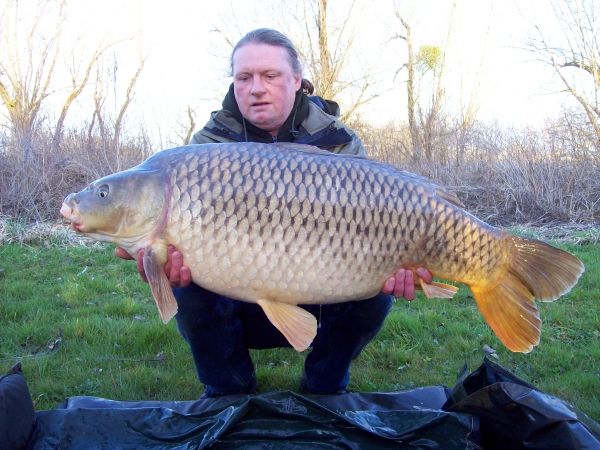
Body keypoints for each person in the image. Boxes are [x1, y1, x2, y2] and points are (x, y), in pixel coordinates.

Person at [116, 28, 432, 397]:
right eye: (244, 77)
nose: (256, 88)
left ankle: (324, 385)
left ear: (297, 80)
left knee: (376, 293)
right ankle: (228, 385)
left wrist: (402, 262)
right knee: (187, 287)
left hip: (326, 286)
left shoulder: (340, 142)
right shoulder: (204, 150)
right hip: (237, 292)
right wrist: (159, 265)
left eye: (270, 76)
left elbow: (377, 216)